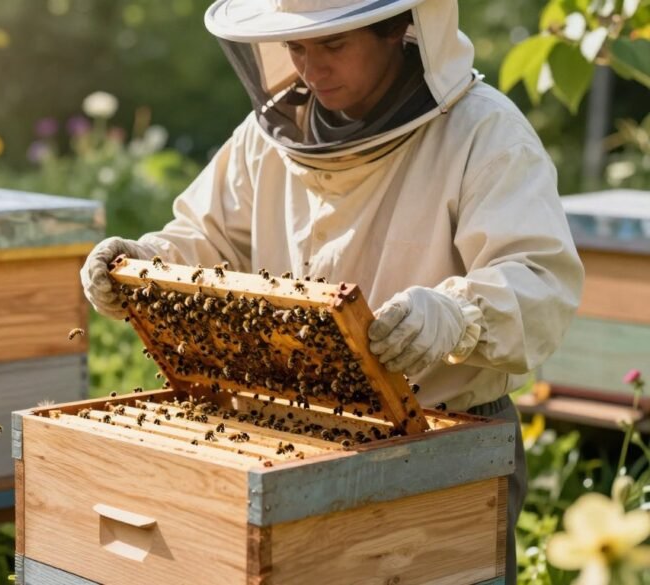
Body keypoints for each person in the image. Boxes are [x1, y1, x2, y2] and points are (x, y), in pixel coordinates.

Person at [80, 0, 584, 580]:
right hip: (295, 429)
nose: (311, 69)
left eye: (334, 46)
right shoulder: (266, 137)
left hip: (445, 429)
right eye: (297, 48)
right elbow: (207, 236)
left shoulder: (483, 132)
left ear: (397, 30)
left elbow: (538, 276)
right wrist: (148, 261)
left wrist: (456, 314)